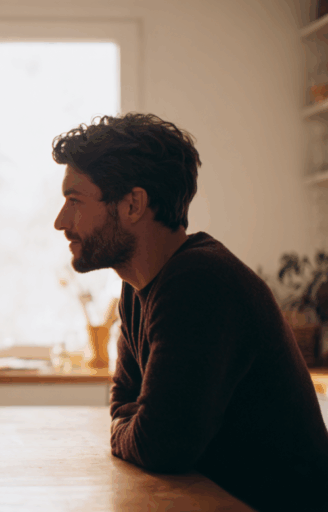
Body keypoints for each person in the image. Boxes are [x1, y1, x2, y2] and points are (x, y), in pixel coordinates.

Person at [52, 113, 328, 512]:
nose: (61, 221)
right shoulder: (137, 288)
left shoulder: (199, 281)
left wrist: (136, 425)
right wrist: (135, 422)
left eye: (74, 201)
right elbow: (124, 409)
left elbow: (160, 445)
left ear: (133, 204)